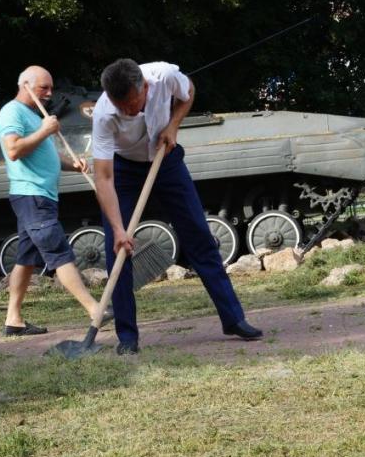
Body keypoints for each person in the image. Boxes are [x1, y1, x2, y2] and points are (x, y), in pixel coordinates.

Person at [92, 59, 263, 354]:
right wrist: (120, 229)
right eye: (123, 108)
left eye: (133, 104)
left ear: (145, 87)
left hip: (166, 160)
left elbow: (189, 92)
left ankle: (233, 318)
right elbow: (103, 177)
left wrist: (173, 124)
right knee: (116, 250)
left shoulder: (165, 76)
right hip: (123, 171)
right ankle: (127, 338)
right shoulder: (104, 113)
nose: (129, 112)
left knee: (199, 236)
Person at [0, 65, 106, 336]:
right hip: (31, 195)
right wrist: (45, 130)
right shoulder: (12, 112)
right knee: (58, 250)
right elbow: (13, 150)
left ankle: (13, 319)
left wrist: (73, 164)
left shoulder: (33, 116)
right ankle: (95, 309)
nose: (48, 93)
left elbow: (45, 156)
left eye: (50, 88)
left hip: (40, 194)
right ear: (25, 86)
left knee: (26, 257)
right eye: (43, 87)